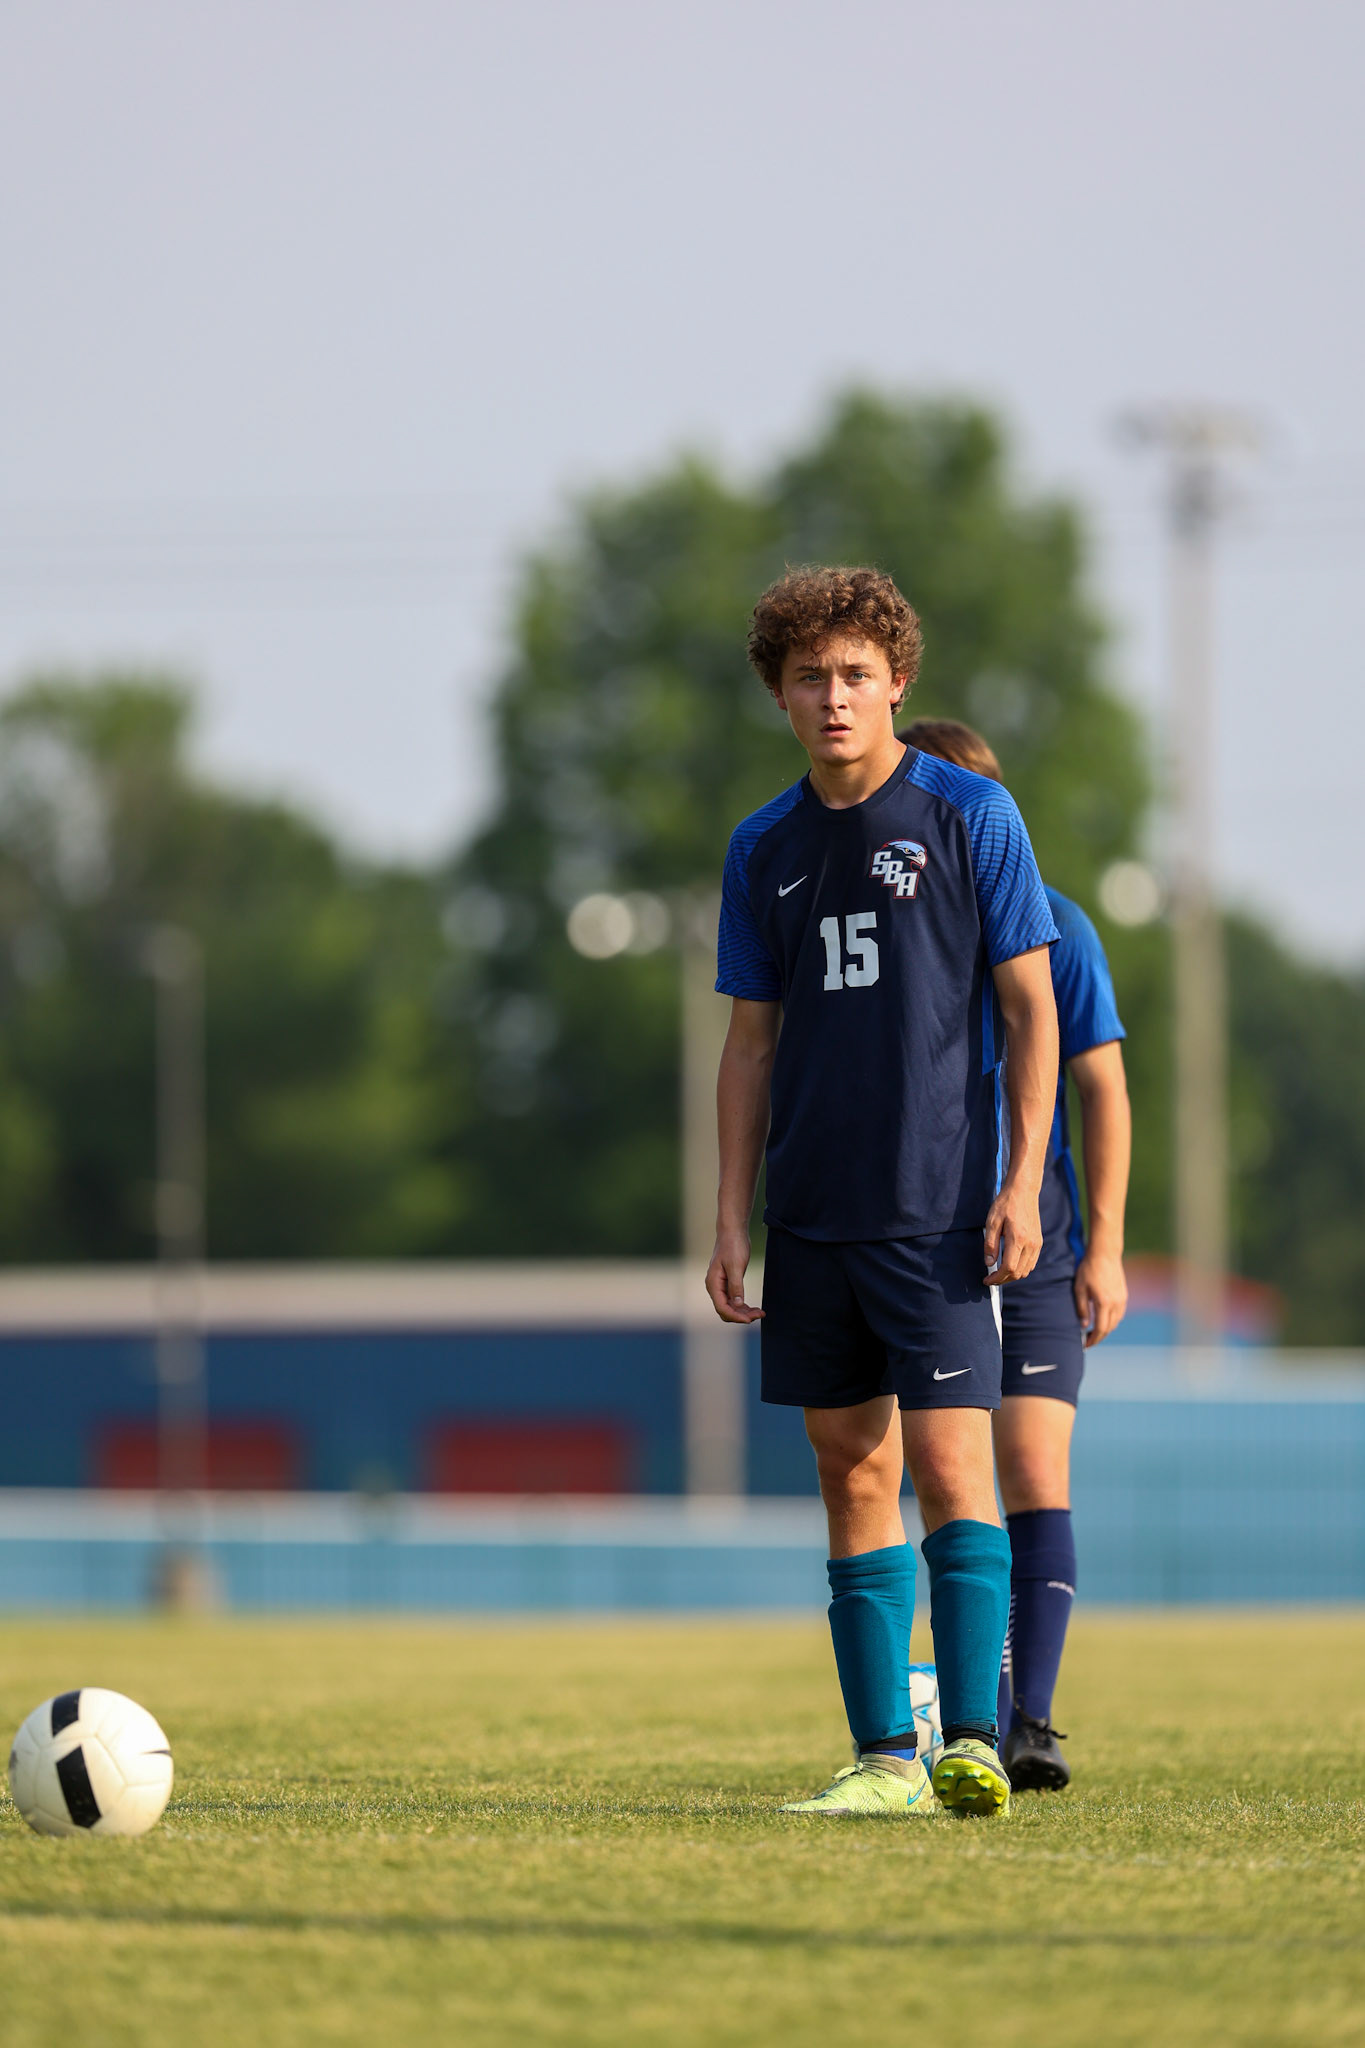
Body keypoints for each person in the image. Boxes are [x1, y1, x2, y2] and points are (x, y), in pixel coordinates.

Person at [707, 566, 1059, 1819]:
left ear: (898, 682)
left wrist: (1022, 1181)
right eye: (811, 676)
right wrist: (729, 1218)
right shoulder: (763, 846)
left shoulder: (971, 816)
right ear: (780, 693)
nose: (835, 697)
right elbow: (750, 1044)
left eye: (857, 673)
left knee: (957, 1469)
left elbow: (1032, 1009)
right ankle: (881, 1759)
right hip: (812, 1212)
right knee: (850, 1468)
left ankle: (970, 1736)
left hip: (941, 1213)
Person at [903, 718, 1130, 1791]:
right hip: (928, 1240)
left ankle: (1028, 1718)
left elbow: (1102, 1087)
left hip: (1036, 1246)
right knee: (951, 1475)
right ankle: (971, 1721)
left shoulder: (1061, 926)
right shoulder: (901, 924)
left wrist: (1109, 1245)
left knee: (1033, 1466)